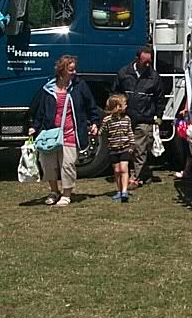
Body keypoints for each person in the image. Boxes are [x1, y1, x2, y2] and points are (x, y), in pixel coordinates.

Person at [30, 55, 99, 207]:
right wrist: (34, 126)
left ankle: (66, 194)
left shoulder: (80, 86)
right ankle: (54, 191)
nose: (74, 72)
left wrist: (94, 121)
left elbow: (90, 105)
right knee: (48, 164)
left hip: (70, 133)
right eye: (71, 70)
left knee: (67, 164)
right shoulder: (48, 88)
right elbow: (40, 110)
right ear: (62, 70)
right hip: (50, 134)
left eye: (74, 69)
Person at [112, 47, 166, 189]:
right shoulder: (124, 73)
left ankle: (135, 178)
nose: (147, 65)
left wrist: (159, 116)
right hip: (125, 118)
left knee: (139, 149)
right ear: (137, 59)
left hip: (145, 118)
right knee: (125, 148)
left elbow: (160, 99)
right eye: (145, 62)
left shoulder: (154, 77)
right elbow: (115, 93)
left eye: (150, 62)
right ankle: (141, 173)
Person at [101, 94, 134, 203]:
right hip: (113, 149)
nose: (126, 106)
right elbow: (102, 131)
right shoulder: (107, 120)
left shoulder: (127, 119)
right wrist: (95, 132)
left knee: (124, 169)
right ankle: (119, 190)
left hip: (125, 147)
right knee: (117, 170)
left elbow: (130, 132)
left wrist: (132, 144)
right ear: (117, 107)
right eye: (124, 104)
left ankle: (124, 191)